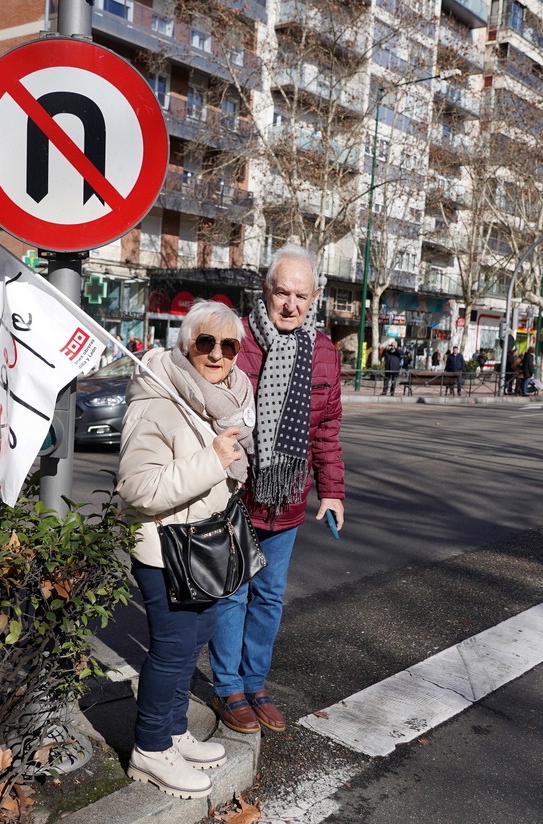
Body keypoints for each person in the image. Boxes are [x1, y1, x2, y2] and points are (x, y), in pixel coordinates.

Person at [116, 300, 253, 799]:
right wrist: (213, 460)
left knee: (199, 634)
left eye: (229, 345)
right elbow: (137, 488)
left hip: (204, 545)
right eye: (205, 342)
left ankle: (173, 732)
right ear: (185, 343)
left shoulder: (224, 398)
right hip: (165, 547)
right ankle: (151, 750)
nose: (217, 355)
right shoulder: (158, 397)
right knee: (173, 649)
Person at [209, 243, 345, 736]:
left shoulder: (324, 352)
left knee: (268, 598)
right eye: (282, 292)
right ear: (265, 291)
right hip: (234, 494)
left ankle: (255, 683)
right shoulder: (232, 340)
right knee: (232, 594)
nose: (291, 304)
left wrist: (331, 491)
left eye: (301, 296)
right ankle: (229, 689)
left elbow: (326, 429)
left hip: (286, 499)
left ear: (314, 299)